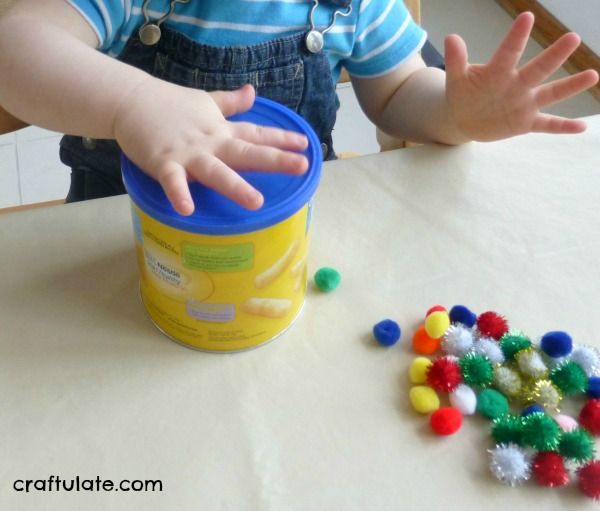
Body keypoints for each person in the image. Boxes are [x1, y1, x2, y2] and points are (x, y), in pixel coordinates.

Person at [0, 0, 597, 216]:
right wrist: (133, 101)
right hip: (121, 233)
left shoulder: (350, 3)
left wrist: (455, 116)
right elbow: (15, 45)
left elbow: (395, 97)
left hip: (290, 229)